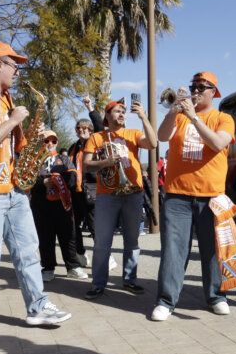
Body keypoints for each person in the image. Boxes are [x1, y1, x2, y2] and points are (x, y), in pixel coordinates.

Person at [0, 43, 70, 341]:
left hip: (14, 187)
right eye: (13, 65)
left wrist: (35, 135)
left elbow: (16, 145)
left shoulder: (8, 99)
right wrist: (15, 120)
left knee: (27, 251)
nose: (17, 71)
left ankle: (38, 306)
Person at [152, 72, 235, 321]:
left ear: (214, 92)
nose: (196, 90)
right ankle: (166, 301)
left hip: (211, 195)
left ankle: (216, 296)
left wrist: (193, 118)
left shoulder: (223, 118)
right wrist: (173, 111)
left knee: (212, 251)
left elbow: (218, 144)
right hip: (178, 193)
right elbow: (162, 137)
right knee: (173, 250)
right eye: (193, 86)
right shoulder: (178, 116)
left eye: (202, 87)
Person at [84, 98, 158, 298]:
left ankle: (130, 281)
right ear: (107, 116)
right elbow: (86, 165)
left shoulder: (133, 134)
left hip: (132, 192)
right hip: (107, 194)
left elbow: (153, 143)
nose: (121, 114)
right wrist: (106, 162)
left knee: (132, 241)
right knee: (102, 242)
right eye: (116, 111)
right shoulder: (97, 137)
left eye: (123, 111)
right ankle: (98, 284)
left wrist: (143, 117)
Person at [29, 128, 88, 281]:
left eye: (53, 141)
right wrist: (44, 182)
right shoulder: (34, 160)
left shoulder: (64, 159)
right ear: (41, 143)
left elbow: (73, 177)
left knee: (68, 236)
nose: (50, 144)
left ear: (57, 142)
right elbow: (27, 180)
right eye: (46, 141)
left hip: (63, 205)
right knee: (45, 237)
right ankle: (48, 268)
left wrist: (61, 181)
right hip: (41, 205)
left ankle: (73, 267)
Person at [66, 98, 105, 255]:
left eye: (84, 128)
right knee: (74, 225)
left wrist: (89, 106)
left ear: (90, 130)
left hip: (92, 188)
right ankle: (81, 254)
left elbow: (100, 126)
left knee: (94, 224)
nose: (81, 130)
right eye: (78, 128)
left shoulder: (95, 142)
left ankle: (104, 256)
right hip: (76, 191)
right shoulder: (73, 147)